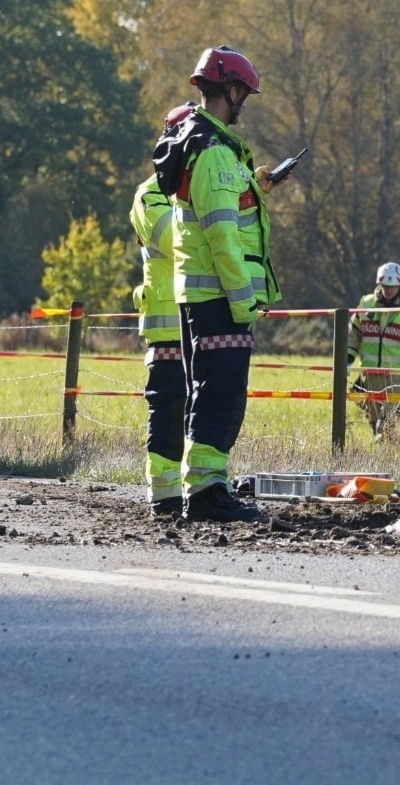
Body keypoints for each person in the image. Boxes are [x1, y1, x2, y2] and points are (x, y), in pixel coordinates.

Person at [154, 45, 286, 523]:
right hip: (220, 298)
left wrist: (260, 182)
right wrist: (244, 297)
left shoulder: (215, 151)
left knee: (212, 393)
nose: (244, 103)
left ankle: (207, 487)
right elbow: (221, 232)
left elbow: (232, 204)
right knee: (220, 396)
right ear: (229, 90)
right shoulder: (211, 152)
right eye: (243, 94)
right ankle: (207, 495)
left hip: (212, 296)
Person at [130, 103, 195, 518]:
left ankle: (198, 490)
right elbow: (175, 238)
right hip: (170, 326)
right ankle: (165, 497)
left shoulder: (200, 192)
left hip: (204, 321)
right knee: (169, 409)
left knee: (203, 413)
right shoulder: (150, 194)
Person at [347, 261, 400, 442]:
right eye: (386, 286)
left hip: (398, 376)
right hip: (371, 375)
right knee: (374, 420)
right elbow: (353, 334)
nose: (389, 290)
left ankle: (391, 454)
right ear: (380, 284)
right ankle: (393, 454)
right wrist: (346, 359)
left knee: (388, 423)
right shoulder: (366, 304)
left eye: (393, 287)